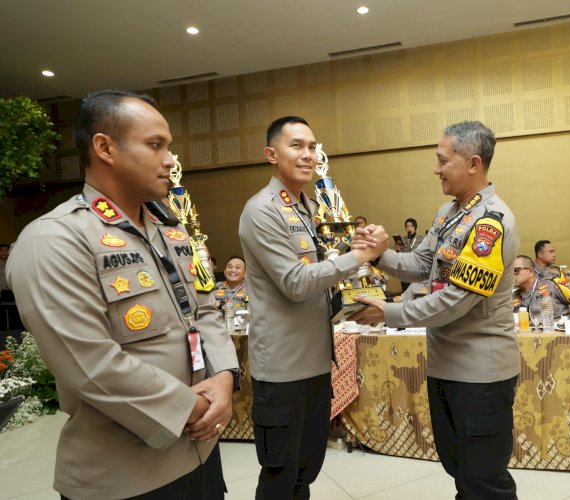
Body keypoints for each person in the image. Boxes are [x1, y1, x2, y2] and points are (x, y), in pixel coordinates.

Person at [5, 90, 239, 499]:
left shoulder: (170, 228)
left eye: (169, 147)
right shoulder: (55, 239)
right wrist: (193, 408)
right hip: (125, 474)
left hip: (200, 451)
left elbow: (205, 308)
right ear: (105, 147)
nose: (170, 160)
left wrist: (223, 377)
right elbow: (88, 363)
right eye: (155, 145)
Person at [351, 121, 520, 499]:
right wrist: (378, 254)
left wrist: (390, 313)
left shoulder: (490, 222)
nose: (436, 168)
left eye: (443, 160)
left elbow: (456, 301)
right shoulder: (450, 212)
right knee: (460, 470)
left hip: (481, 374)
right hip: (446, 366)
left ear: (473, 163)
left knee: (485, 481)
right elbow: (420, 264)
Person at [238, 116, 388, 499]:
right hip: (283, 369)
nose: (307, 155)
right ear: (271, 154)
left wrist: (352, 252)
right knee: (281, 475)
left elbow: (323, 273)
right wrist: (356, 257)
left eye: (312, 146)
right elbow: (295, 282)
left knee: (307, 471)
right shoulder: (262, 210)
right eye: (297, 146)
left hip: (317, 362)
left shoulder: (307, 207)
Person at [512, 255, 570, 321]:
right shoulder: (514, 296)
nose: (511, 275)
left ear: (530, 271)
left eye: (516, 270)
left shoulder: (553, 284)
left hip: (560, 337)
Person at [395, 218, 424, 292]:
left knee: (417, 292)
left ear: (415, 228)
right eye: (407, 226)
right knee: (405, 292)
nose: (409, 228)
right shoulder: (402, 239)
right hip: (405, 271)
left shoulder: (421, 239)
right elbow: (398, 257)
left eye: (411, 226)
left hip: (417, 270)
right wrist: (397, 250)